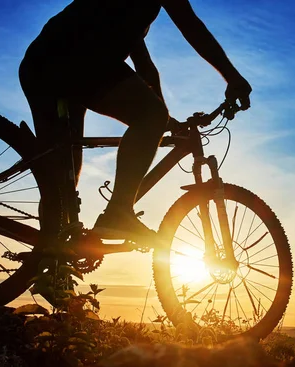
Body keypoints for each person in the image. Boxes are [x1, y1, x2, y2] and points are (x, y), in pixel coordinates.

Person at [19, 0, 252, 244]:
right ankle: (118, 213)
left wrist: (164, 118)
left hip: (46, 61)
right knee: (149, 116)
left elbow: (145, 67)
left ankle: (50, 261)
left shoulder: (127, 14)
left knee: (60, 179)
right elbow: (190, 25)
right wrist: (233, 77)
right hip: (76, 54)